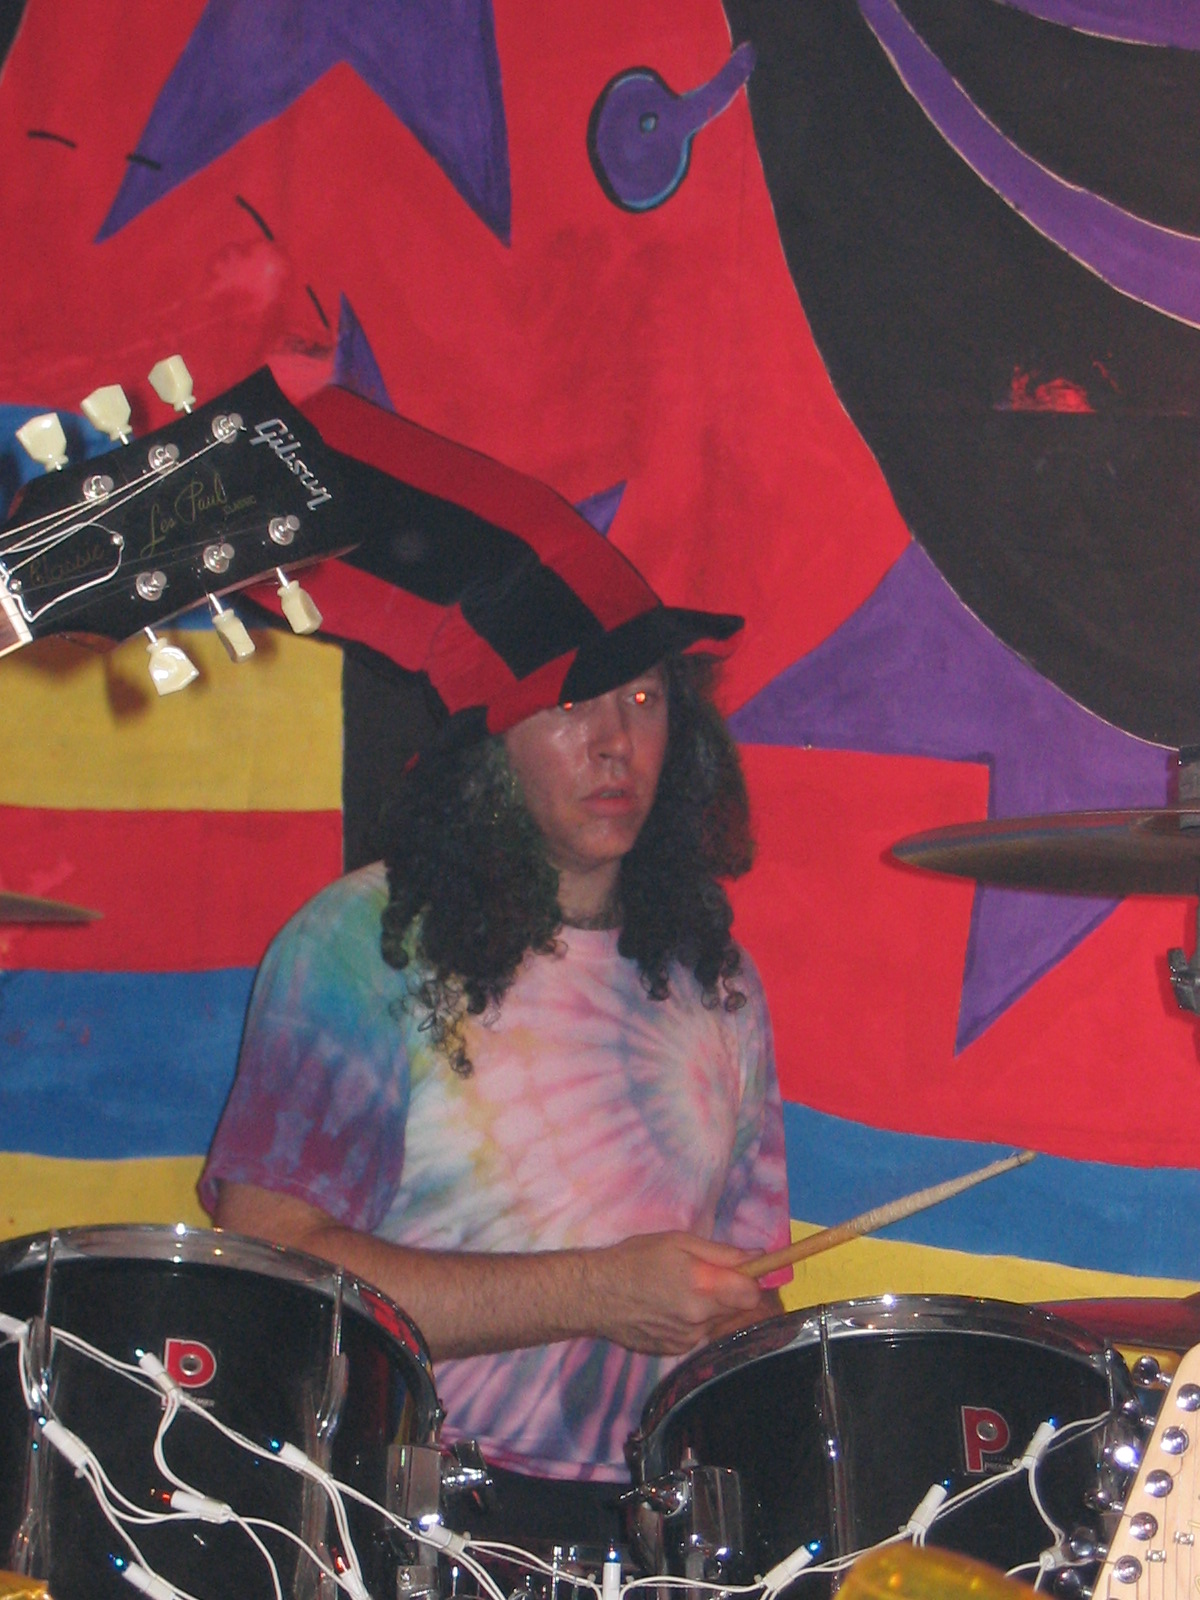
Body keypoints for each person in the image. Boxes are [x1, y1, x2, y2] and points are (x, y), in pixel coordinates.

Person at [198, 384, 791, 1546]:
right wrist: (594, 1289)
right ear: (490, 743)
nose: (616, 744)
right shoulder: (362, 944)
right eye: (573, 704)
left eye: (644, 698)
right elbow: (274, 1265)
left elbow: (746, 1294)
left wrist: (737, 1326)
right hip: (410, 1513)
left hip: (651, 1527)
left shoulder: (716, 979)